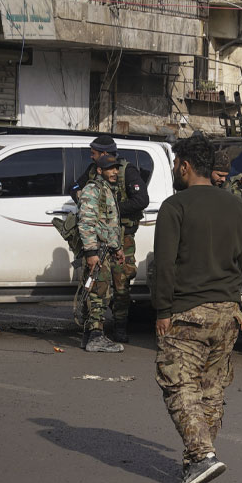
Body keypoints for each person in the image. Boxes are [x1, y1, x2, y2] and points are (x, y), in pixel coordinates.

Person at [152, 134, 242, 483]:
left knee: (178, 384)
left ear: (185, 166)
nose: (174, 170)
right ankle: (196, 463)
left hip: (188, 311)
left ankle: (201, 456)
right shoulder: (238, 207)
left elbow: (164, 265)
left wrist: (162, 310)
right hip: (228, 313)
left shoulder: (175, 206)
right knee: (211, 390)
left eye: (175, 165)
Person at [70, 135, 148, 343]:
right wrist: (98, 208)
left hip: (122, 238)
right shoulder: (93, 176)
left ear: (104, 154)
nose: (91, 155)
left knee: (121, 285)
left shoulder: (127, 171)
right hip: (100, 239)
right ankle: (94, 331)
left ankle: (120, 328)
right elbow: (75, 189)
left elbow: (141, 200)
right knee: (97, 286)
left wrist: (111, 209)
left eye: (94, 152)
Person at [76, 154, 126, 353]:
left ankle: (90, 335)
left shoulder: (107, 190)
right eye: (110, 168)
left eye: (116, 168)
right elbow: (87, 223)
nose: (115, 171)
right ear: (99, 170)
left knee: (100, 291)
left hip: (105, 249)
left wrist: (117, 247)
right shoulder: (92, 190)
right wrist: (91, 253)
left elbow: (108, 224)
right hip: (97, 250)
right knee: (98, 293)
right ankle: (96, 336)